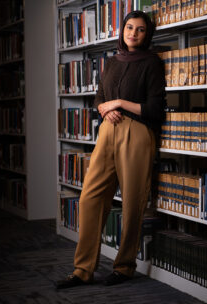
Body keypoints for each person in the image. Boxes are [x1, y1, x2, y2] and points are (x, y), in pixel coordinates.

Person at [56, 10, 166, 289]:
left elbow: (155, 109)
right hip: (107, 131)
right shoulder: (113, 61)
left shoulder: (151, 62)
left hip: (137, 132)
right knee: (90, 197)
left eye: (140, 30)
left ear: (147, 34)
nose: (133, 33)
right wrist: (105, 108)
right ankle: (83, 270)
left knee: (132, 202)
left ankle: (125, 266)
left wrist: (118, 103)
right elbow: (99, 98)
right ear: (122, 30)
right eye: (129, 27)